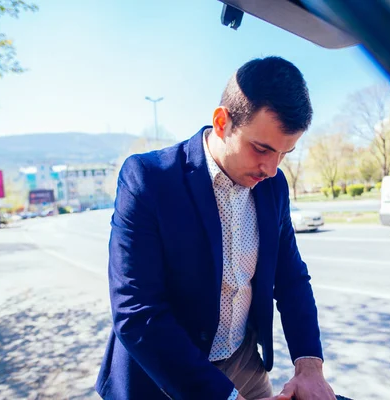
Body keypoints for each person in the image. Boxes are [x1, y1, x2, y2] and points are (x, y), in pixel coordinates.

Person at [95, 56, 336, 400]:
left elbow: (291, 277)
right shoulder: (148, 179)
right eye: (261, 148)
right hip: (164, 377)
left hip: (245, 366)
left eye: (285, 153)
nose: (271, 168)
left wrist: (309, 365)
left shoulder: (274, 185)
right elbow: (137, 311)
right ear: (222, 122)